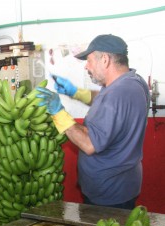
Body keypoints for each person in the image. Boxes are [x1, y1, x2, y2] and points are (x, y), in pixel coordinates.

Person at [36, 34, 150, 210]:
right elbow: (107, 102)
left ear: (105, 59)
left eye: (89, 61)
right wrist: (75, 92)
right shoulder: (133, 82)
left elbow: (89, 144)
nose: (86, 67)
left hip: (109, 193)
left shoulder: (117, 94)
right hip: (124, 182)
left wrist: (59, 112)